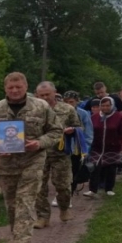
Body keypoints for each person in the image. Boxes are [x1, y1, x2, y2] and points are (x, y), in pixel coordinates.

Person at [0, 72, 62, 243]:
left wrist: (39, 143)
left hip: (32, 161)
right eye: (10, 88)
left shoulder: (41, 107)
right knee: (12, 204)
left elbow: (56, 131)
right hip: (5, 165)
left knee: (25, 200)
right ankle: (17, 236)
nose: (15, 91)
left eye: (18, 87)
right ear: (5, 88)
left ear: (26, 87)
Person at [33, 81, 81, 227]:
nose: (45, 97)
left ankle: (64, 209)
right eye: (41, 95)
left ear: (54, 93)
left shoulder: (67, 109)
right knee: (39, 187)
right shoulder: (33, 110)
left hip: (60, 154)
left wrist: (71, 130)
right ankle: (43, 217)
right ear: (37, 95)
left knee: (63, 185)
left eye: (47, 94)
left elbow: (78, 127)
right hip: (38, 154)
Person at [84, 96, 122, 198]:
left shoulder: (119, 117)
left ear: (112, 105)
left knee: (111, 169)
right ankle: (92, 190)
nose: (105, 108)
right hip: (97, 148)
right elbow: (88, 131)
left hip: (113, 147)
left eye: (107, 105)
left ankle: (109, 189)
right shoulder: (94, 117)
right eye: (103, 105)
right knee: (94, 169)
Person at [62, 91, 93, 193]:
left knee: (74, 171)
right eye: (66, 101)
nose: (69, 104)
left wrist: (86, 149)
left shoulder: (83, 114)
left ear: (77, 101)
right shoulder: (58, 112)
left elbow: (88, 132)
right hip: (61, 147)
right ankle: (61, 193)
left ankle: (70, 193)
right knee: (61, 172)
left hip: (77, 147)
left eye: (71, 101)